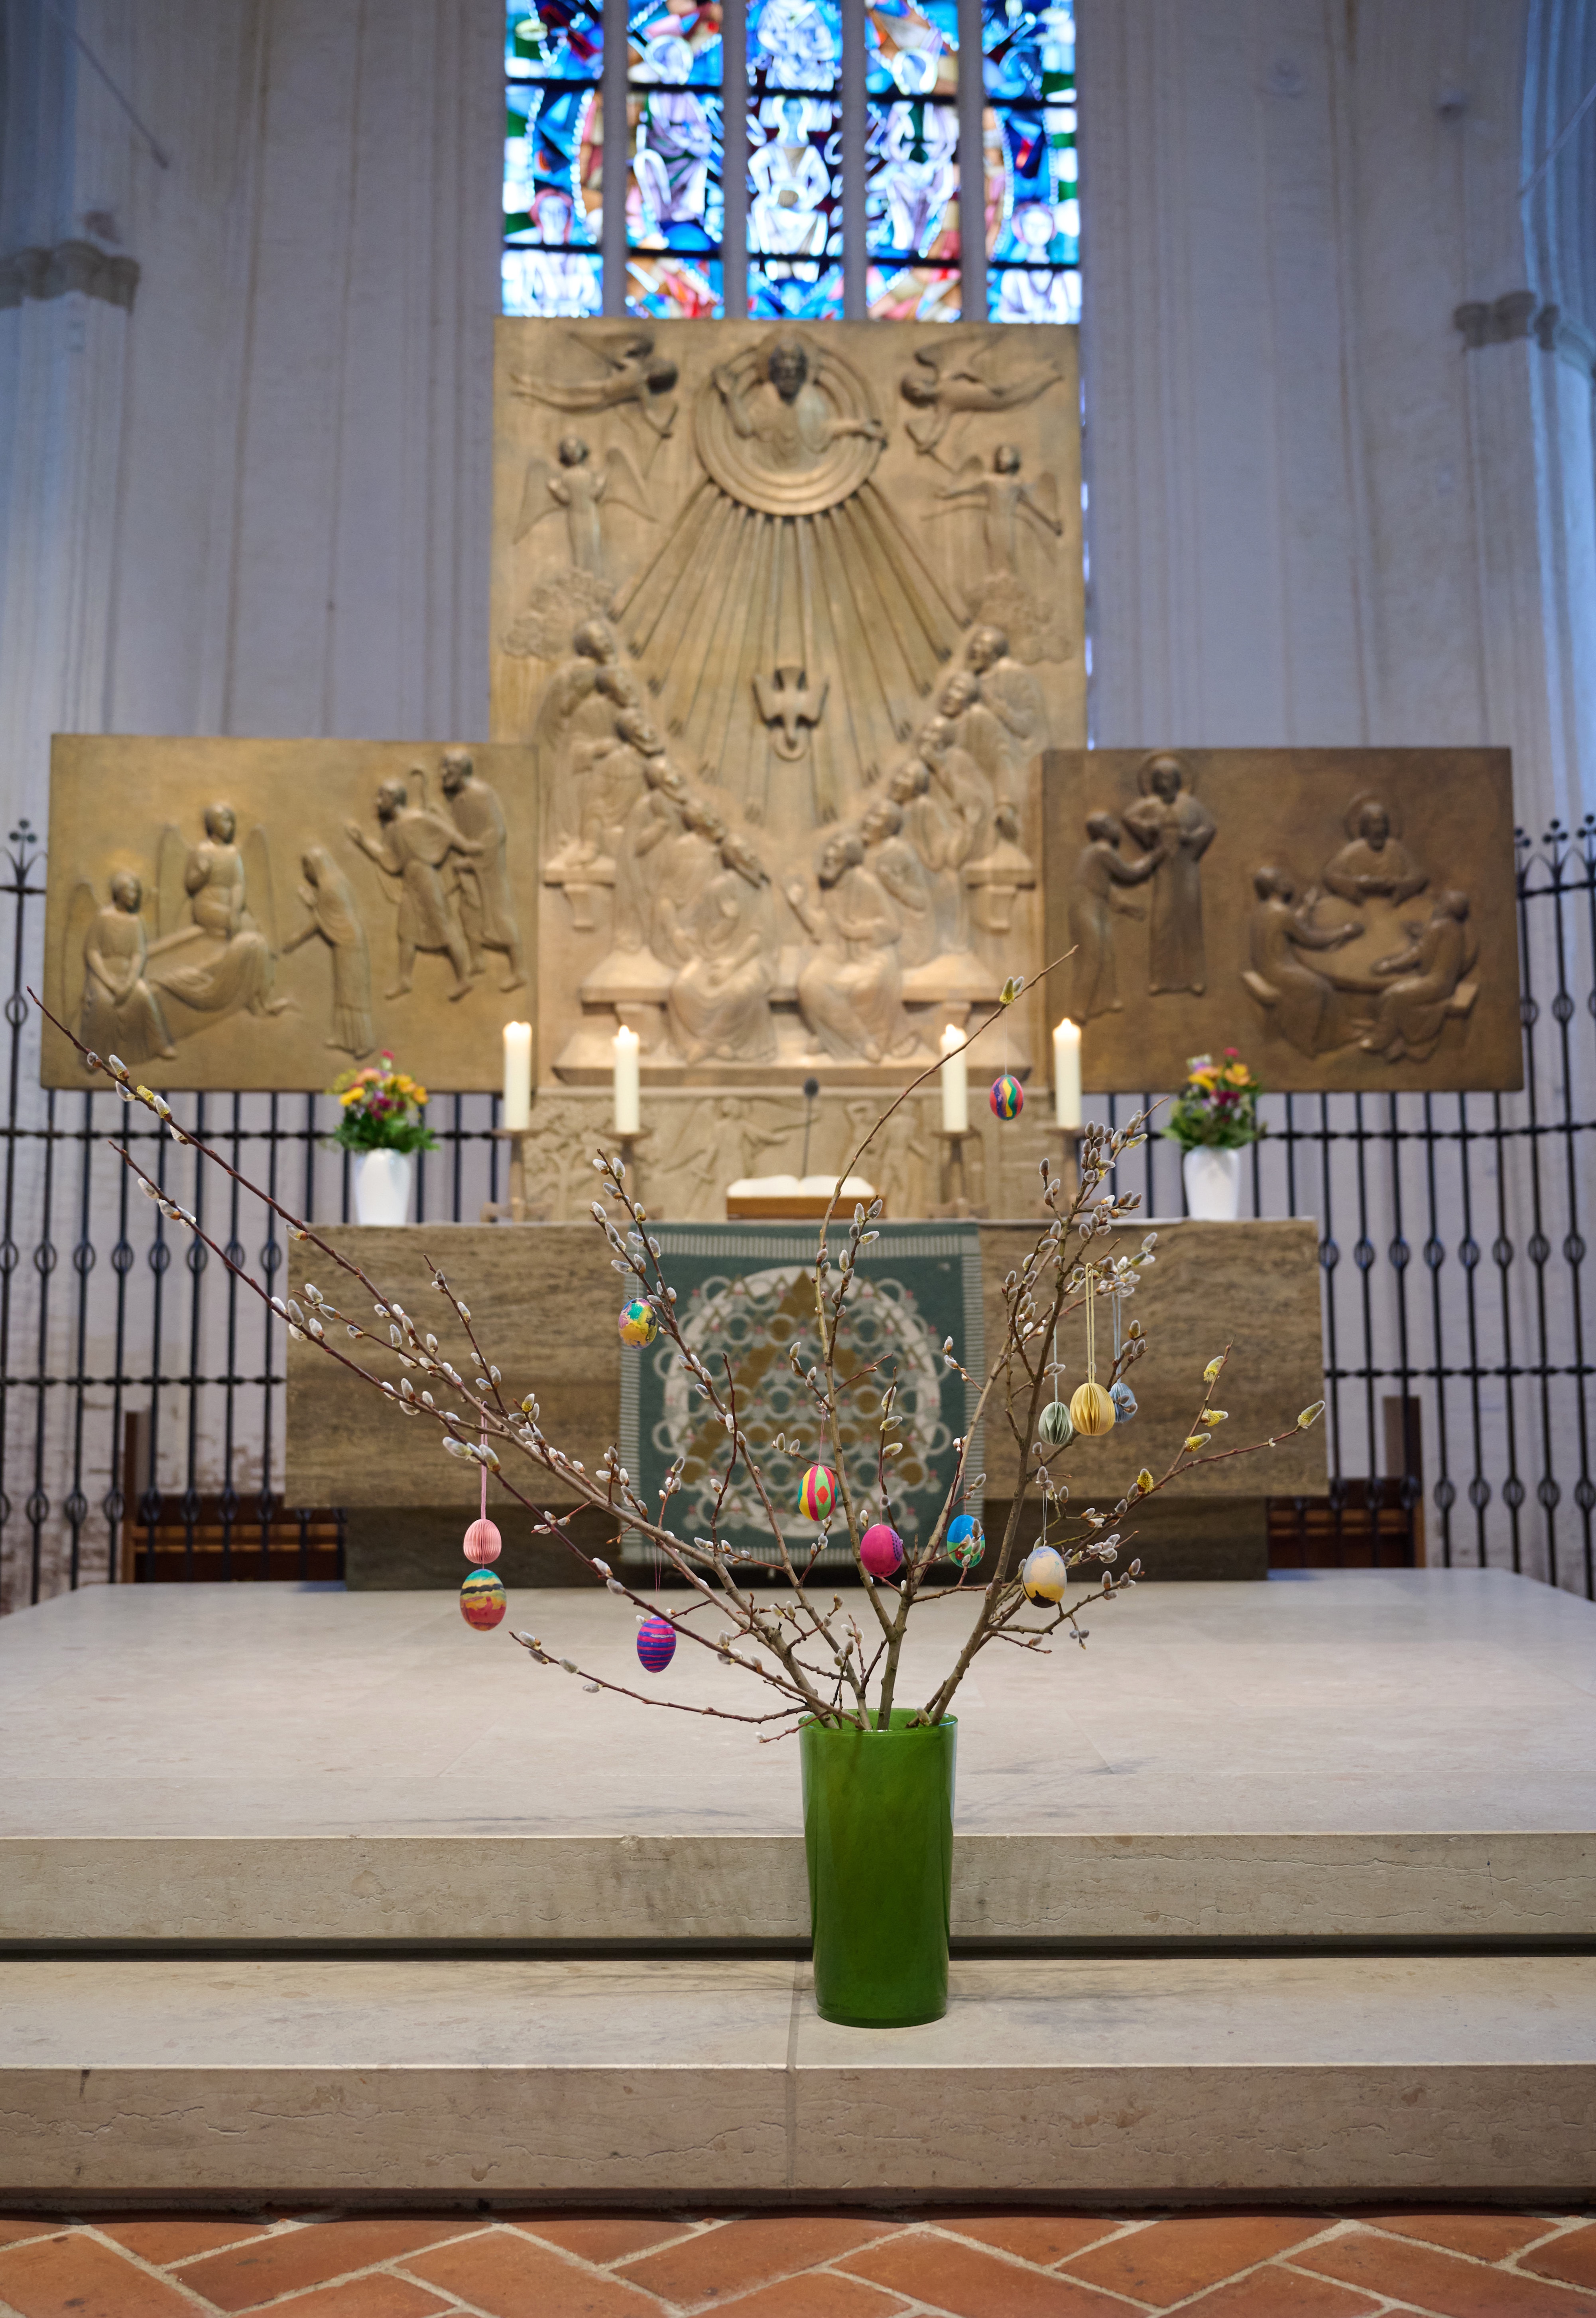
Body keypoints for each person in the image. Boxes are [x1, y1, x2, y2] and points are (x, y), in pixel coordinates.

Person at [346, 774, 482, 1001]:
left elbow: (446, 832)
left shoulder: (417, 818)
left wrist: (467, 846)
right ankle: (405, 980)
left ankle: (464, 978)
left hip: (427, 879)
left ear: (394, 799)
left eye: (383, 797)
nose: (378, 802)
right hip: (411, 881)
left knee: (444, 926)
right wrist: (362, 841)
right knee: (407, 931)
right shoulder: (391, 830)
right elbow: (387, 857)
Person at [788, 831, 917, 1063]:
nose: (827, 862)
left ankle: (853, 1038)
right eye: (826, 858)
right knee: (809, 982)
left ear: (847, 861)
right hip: (838, 951)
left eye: (834, 858)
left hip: (872, 953)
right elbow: (824, 927)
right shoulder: (832, 887)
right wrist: (800, 906)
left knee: (866, 985)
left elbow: (892, 927)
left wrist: (858, 931)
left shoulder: (866, 883)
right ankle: (857, 1040)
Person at [148, 804, 280, 1019]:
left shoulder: (232, 853)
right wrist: (202, 871)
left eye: (231, 821)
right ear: (213, 825)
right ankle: (226, 987)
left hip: (230, 908)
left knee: (254, 932)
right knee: (246, 936)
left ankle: (258, 996)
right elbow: (190, 886)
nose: (229, 826)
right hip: (207, 907)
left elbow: (238, 884)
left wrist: (235, 911)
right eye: (224, 821)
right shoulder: (202, 851)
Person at [668, 829, 779, 1064]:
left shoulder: (761, 888)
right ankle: (712, 1043)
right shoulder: (717, 888)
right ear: (732, 860)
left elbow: (759, 938)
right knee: (682, 987)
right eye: (740, 853)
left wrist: (733, 965)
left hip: (751, 958)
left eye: (748, 849)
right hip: (713, 956)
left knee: (740, 990)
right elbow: (704, 937)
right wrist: (727, 924)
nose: (749, 856)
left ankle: (707, 1044)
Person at [711, 335, 883, 474]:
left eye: (793, 373)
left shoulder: (809, 396)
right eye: (783, 373)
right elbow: (747, 428)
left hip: (809, 472)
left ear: (801, 374)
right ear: (774, 374)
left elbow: (824, 430)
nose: (788, 378)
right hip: (767, 470)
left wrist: (858, 426)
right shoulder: (768, 394)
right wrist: (731, 396)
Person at [1124, 755, 1216, 995]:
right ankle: (1160, 979)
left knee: (1190, 921)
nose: (1165, 784)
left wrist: (1192, 838)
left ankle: (1195, 978)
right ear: (1153, 783)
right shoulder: (1151, 805)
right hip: (1164, 869)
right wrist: (1148, 828)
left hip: (1187, 869)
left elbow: (1209, 826)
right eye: (1160, 779)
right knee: (1162, 922)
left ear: (1177, 780)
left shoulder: (1190, 804)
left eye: (1169, 778)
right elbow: (1129, 817)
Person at [1244, 866, 1357, 1056]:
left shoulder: (1265, 910)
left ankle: (1337, 1034)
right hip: (1280, 971)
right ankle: (1306, 1041)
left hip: (1268, 967)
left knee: (1322, 986)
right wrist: (1346, 932)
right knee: (1320, 987)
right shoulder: (1281, 911)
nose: (1287, 881)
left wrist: (1307, 906)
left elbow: (1292, 923)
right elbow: (1310, 939)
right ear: (1277, 887)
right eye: (1282, 878)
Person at [441, 748, 526, 992]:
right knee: (468, 911)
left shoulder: (480, 794)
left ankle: (519, 970)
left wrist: (474, 857)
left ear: (464, 771)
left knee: (499, 914)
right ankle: (478, 959)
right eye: (444, 768)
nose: (445, 774)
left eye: (451, 769)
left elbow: (496, 832)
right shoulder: (458, 799)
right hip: (468, 863)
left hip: (487, 866)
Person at [1362, 891, 1474, 1063]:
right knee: (1393, 995)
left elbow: (1418, 954)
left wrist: (1390, 965)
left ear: (1446, 907)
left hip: (1435, 984)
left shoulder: (1438, 926)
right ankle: (1394, 1035)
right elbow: (1437, 948)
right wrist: (1423, 934)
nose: (1438, 905)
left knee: (1394, 995)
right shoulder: (1455, 928)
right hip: (1445, 984)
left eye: (1442, 902)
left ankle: (1381, 1040)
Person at [281, 847, 373, 1056]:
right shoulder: (332, 884)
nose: (306, 874)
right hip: (347, 943)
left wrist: (297, 939)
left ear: (316, 867)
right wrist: (314, 904)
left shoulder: (330, 887)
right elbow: (327, 913)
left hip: (350, 943)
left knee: (354, 994)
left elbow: (322, 921)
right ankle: (344, 1038)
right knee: (344, 991)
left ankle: (364, 1043)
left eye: (307, 868)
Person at [1069, 814, 1162, 1019]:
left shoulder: (1094, 854)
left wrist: (1128, 908)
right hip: (1087, 908)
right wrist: (1155, 857)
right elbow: (1129, 873)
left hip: (1096, 905)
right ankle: (1080, 1007)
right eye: (1111, 824)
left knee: (1107, 954)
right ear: (1103, 831)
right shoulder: (1102, 850)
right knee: (1093, 955)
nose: (1117, 828)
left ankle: (1106, 1001)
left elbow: (1103, 887)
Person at [81, 872, 174, 1063]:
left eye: (136, 892)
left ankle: (159, 1045)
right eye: (131, 892)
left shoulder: (135, 922)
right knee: (103, 1003)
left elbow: (138, 954)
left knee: (144, 996)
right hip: (103, 974)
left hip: (128, 974)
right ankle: (94, 1058)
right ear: (119, 892)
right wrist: (109, 982)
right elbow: (93, 952)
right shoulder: (104, 918)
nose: (135, 896)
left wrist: (130, 982)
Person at [1323, 799, 1428, 905]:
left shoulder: (1395, 849)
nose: (1379, 829)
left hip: (1393, 911)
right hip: (1358, 911)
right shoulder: (1354, 850)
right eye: (1374, 823)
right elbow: (1331, 876)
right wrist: (1359, 883)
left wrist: (1395, 884)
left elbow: (1419, 877)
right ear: (1365, 827)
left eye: (1382, 824)